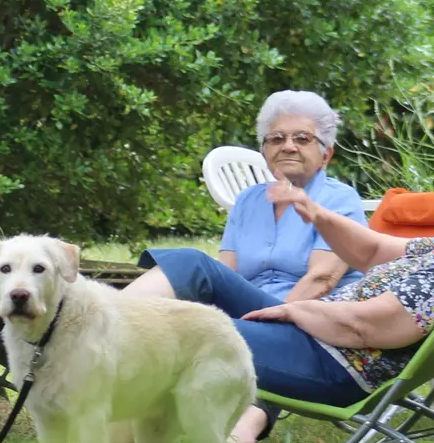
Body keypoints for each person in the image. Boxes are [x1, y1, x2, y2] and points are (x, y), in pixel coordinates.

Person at [95, 145, 434, 443]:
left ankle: (94, 378)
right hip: (318, 340)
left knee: (178, 331)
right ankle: (101, 329)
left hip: (333, 363)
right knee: (197, 267)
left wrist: (298, 309)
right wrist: (316, 213)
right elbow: (371, 251)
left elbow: (366, 328)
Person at [144, 91, 368, 303]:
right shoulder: (247, 201)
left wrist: (269, 319)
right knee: (184, 268)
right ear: (264, 152)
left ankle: (124, 316)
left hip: (306, 318)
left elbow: (321, 279)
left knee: (192, 262)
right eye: (276, 139)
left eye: (302, 138)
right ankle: (125, 318)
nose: (288, 147)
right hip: (249, 313)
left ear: (326, 155)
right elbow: (226, 277)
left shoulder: (340, 200)